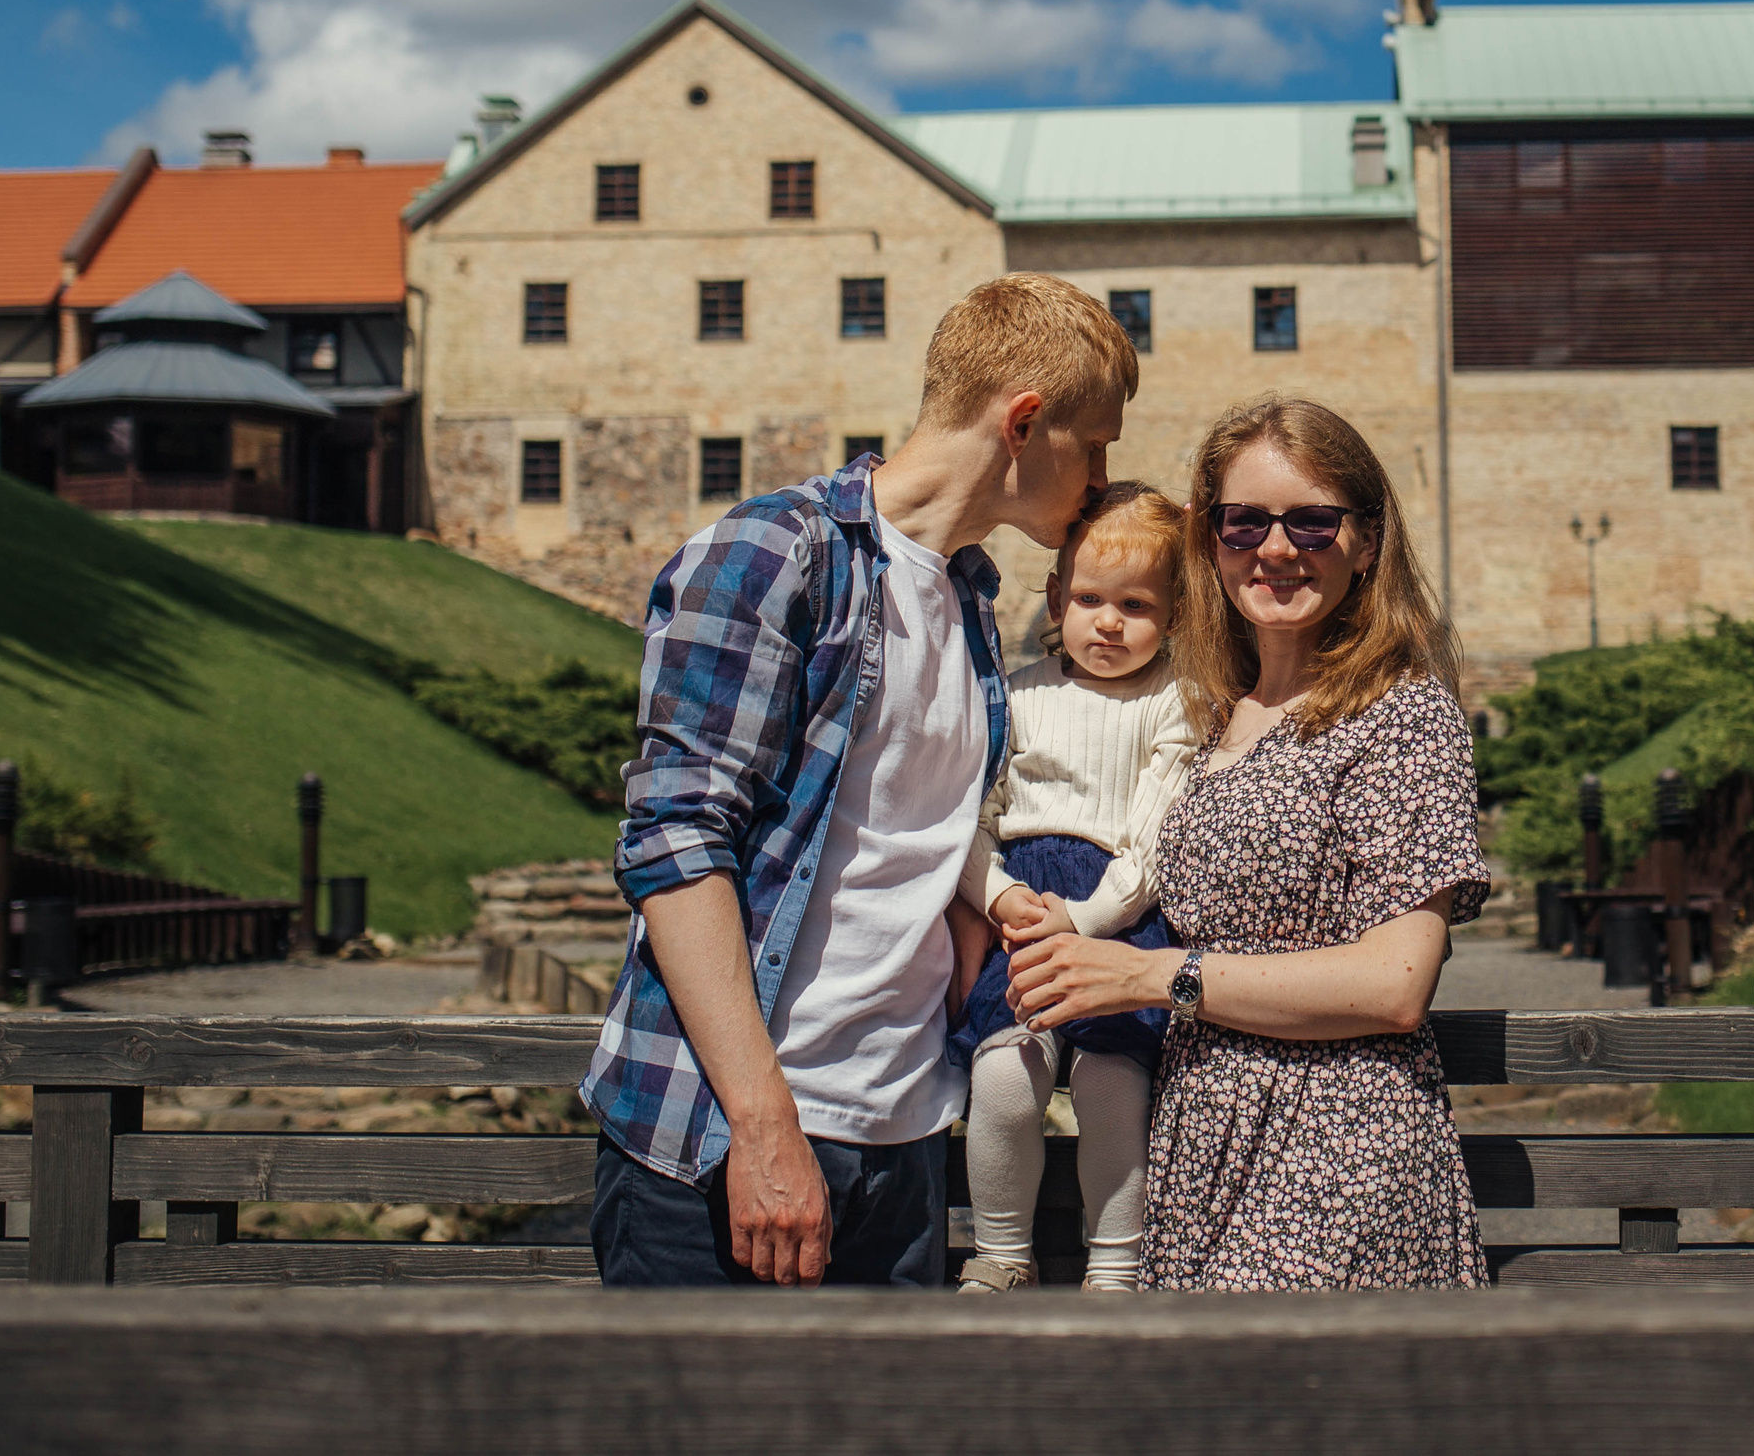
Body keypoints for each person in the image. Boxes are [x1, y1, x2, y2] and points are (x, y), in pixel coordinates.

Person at [582, 273, 1137, 1289]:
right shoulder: (772, 555)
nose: (1103, 474)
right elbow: (673, 843)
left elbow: (919, 843)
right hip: (728, 1146)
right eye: (1094, 442)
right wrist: (762, 1129)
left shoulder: (970, 599)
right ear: (1023, 422)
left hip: (905, 1140)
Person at [1006, 395, 1491, 1291]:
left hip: (1338, 1148)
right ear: (1211, 542)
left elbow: (1395, 986)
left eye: (1313, 522)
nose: (1276, 548)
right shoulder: (1216, 713)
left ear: (1368, 543)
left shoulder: (1400, 712)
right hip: (1201, 1145)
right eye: (1243, 522)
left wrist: (1149, 976)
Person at [947, 482, 1196, 1294]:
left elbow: (1157, 837)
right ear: (1056, 596)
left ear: (1177, 612)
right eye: (1089, 598)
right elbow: (969, 816)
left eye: (1136, 604)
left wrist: (1086, 918)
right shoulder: (1017, 693)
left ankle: (1117, 1265)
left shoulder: (1175, 701)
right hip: (1023, 900)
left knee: (1112, 1084)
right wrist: (997, 896)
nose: (1109, 622)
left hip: (1118, 916)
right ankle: (1002, 1253)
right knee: (1006, 1077)